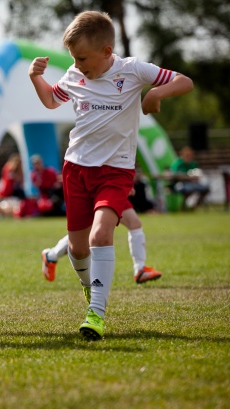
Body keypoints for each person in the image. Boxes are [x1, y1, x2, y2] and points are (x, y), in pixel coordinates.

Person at [28, 10, 193, 340]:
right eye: (74, 58)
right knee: (77, 249)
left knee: (100, 235)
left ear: (106, 52)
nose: (77, 64)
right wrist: (36, 77)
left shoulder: (131, 70)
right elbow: (50, 100)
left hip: (116, 172)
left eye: (82, 57)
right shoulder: (75, 75)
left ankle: (97, 314)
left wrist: (156, 93)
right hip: (75, 169)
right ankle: (92, 291)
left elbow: (184, 81)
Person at [42, 206, 162, 284]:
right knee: (92, 232)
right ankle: (52, 254)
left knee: (134, 223)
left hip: (113, 186)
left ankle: (140, 269)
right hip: (101, 187)